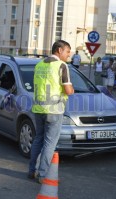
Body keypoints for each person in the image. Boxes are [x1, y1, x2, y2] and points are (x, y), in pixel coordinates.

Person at [28, 40, 74, 183]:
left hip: (38, 108)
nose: (69, 55)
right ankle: (42, 175)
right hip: (54, 110)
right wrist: (72, 90)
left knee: (38, 139)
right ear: (59, 50)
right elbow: (68, 90)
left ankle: (31, 171)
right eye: (67, 52)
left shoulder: (39, 64)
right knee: (49, 143)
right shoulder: (61, 65)